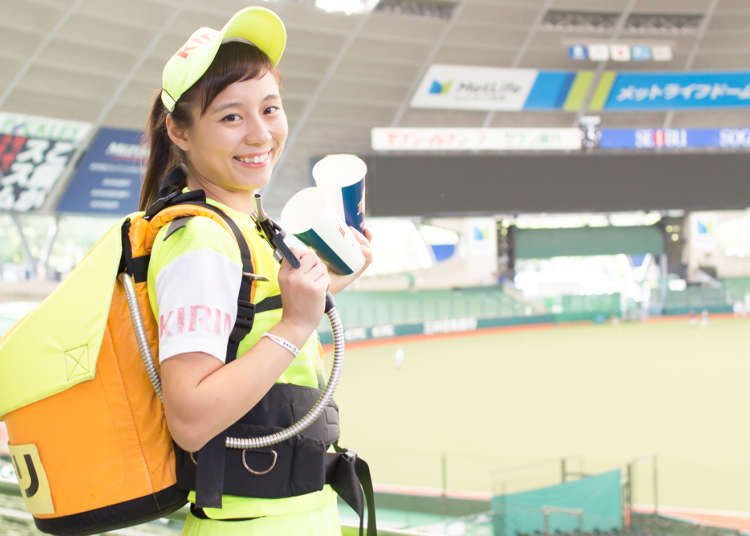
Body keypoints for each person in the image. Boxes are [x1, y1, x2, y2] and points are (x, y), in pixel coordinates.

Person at [138, 6, 372, 535]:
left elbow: (254, 332)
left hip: (295, 515)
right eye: (230, 117)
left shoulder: (246, 224)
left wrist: (324, 289)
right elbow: (192, 419)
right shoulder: (200, 239)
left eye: (270, 108)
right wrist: (294, 326)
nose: (260, 134)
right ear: (179, 131)